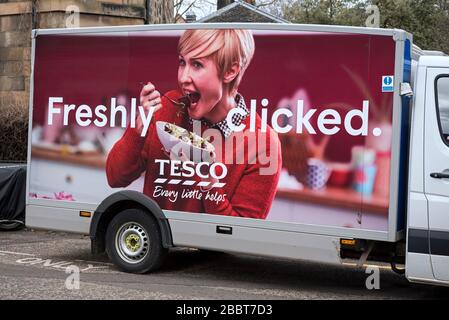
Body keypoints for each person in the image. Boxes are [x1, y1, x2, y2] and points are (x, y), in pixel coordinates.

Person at [106, 29, 281, 219]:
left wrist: (208, 178)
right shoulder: (166, 108)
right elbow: (115, 178)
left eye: (197, 64)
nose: (183, 78)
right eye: (182, 62)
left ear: (230, 71)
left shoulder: (263, 142)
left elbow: (241, 234)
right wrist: (139, 127)